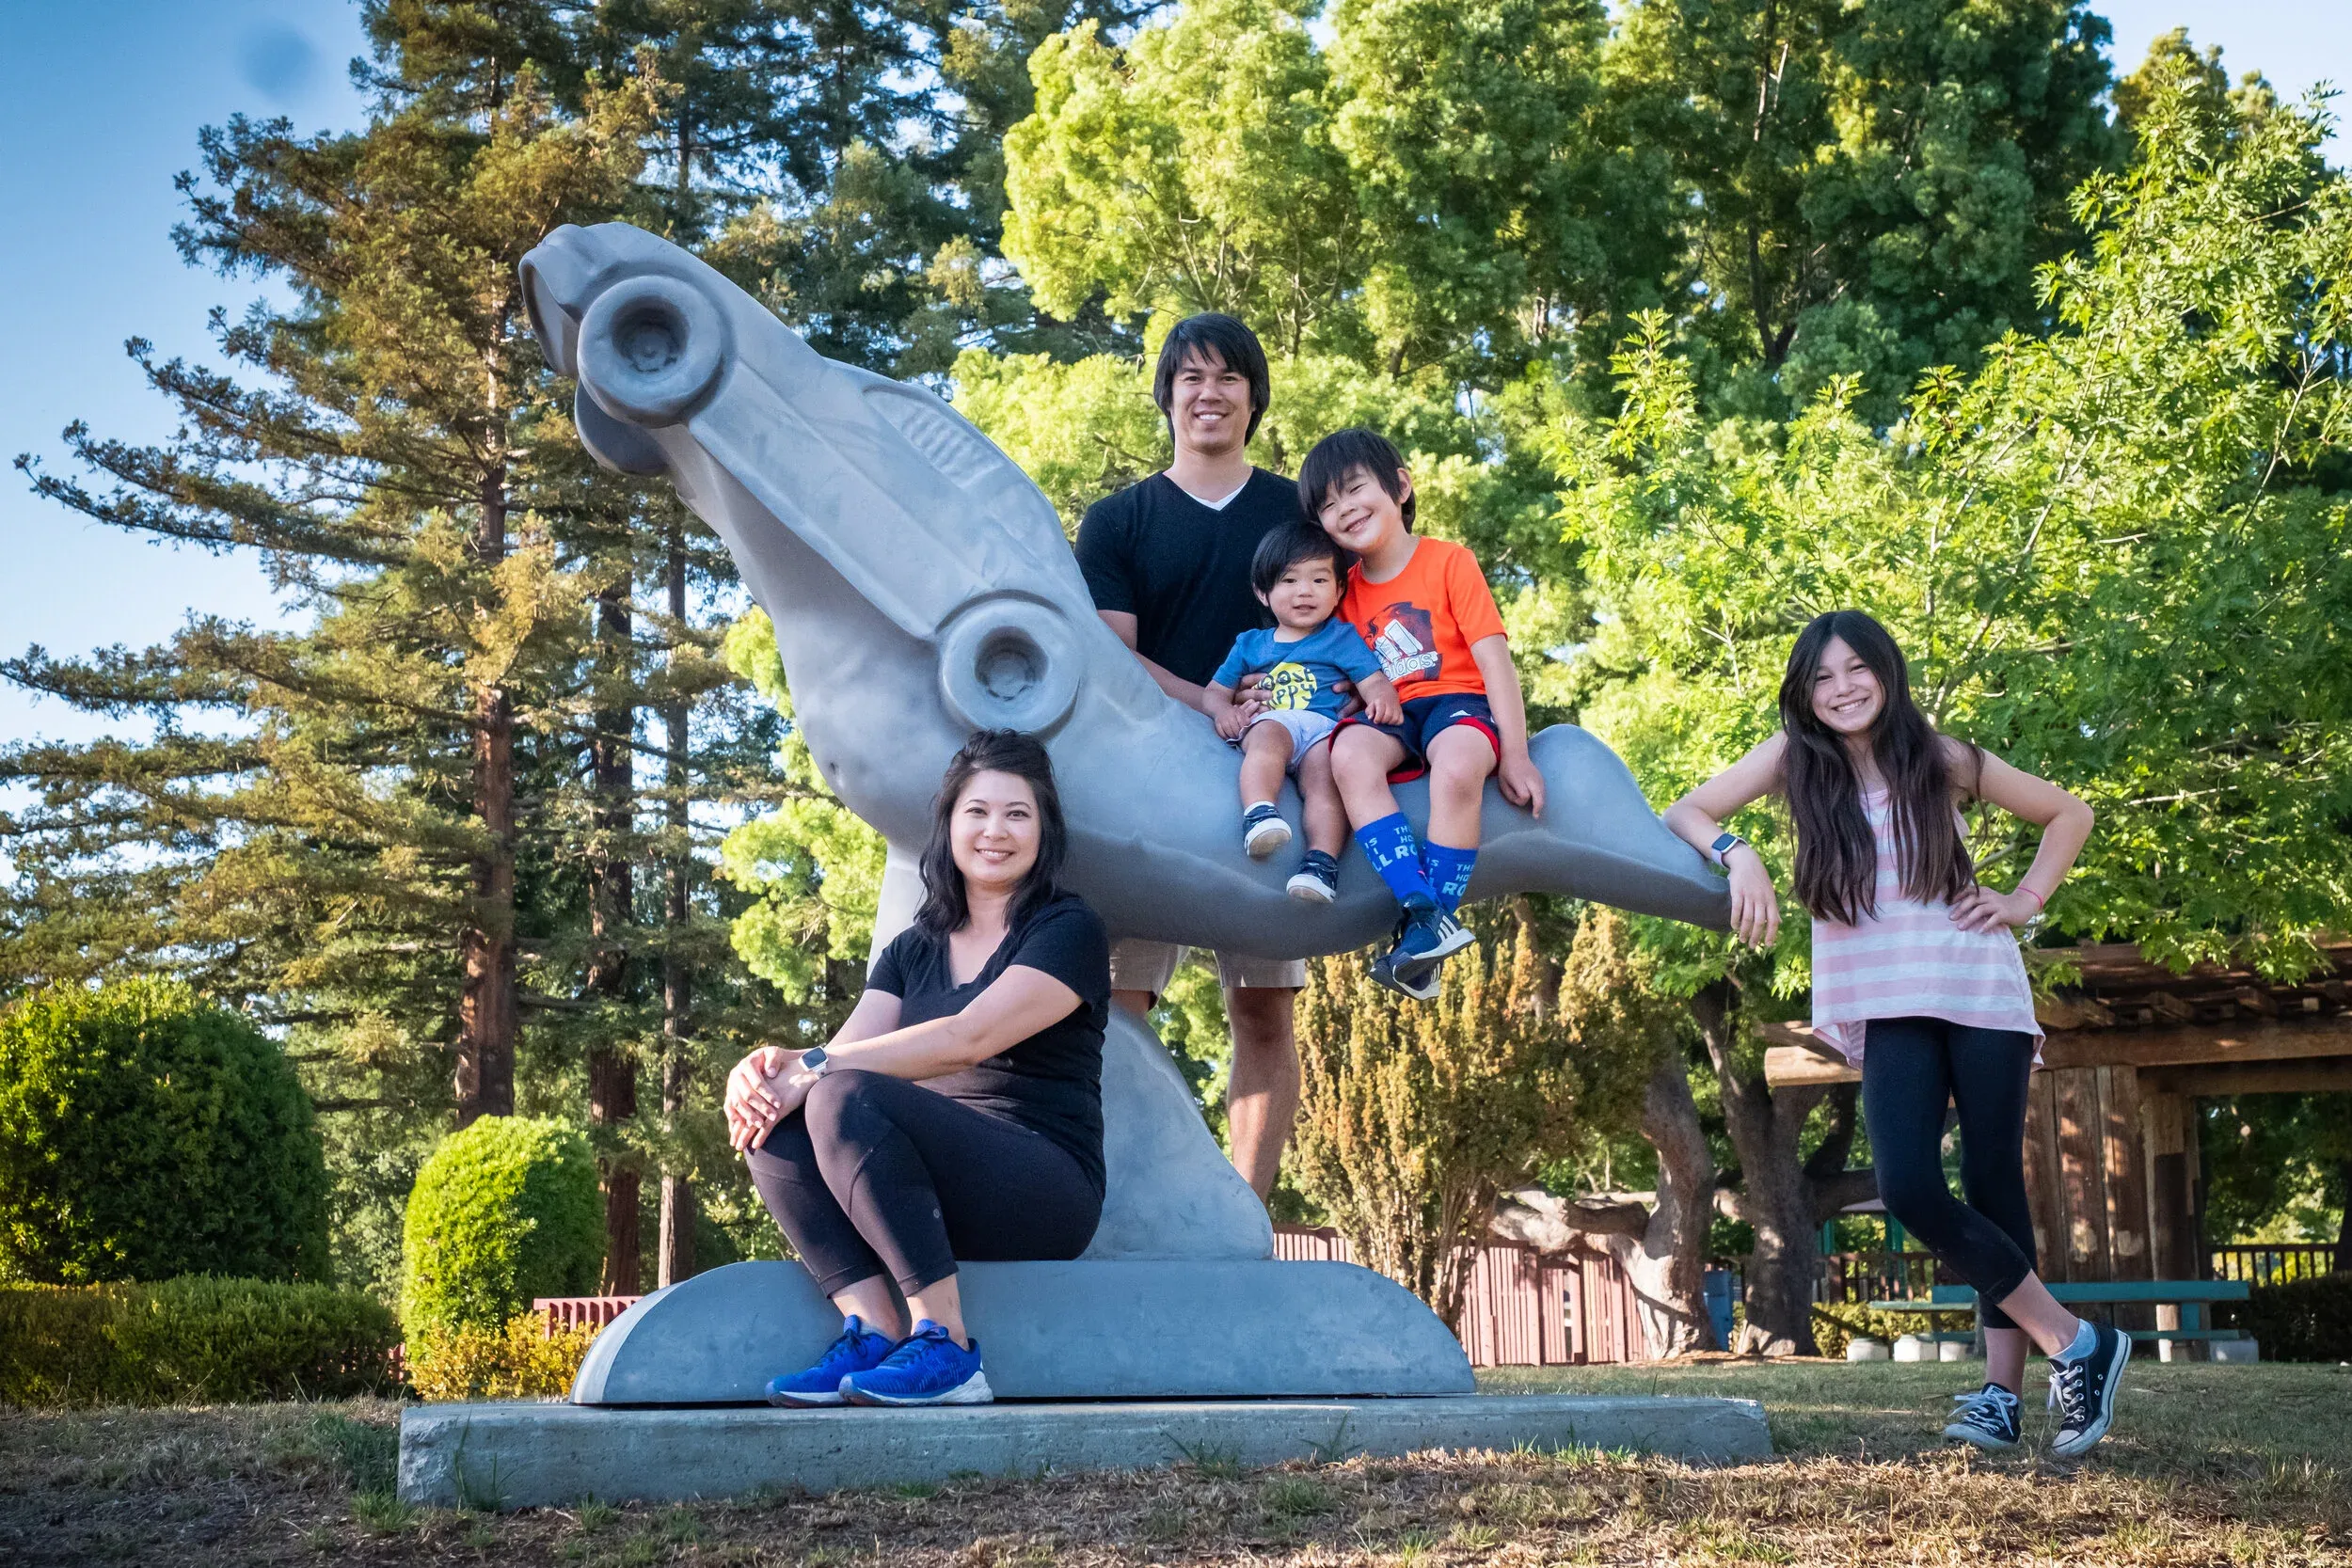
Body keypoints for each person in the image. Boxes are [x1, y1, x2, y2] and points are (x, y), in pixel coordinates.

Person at [1661, 609, 2125, 1459]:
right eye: (1822, 678)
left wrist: (2023, 902)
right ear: (1804, 692)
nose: (1841, 689)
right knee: (1910, 1185)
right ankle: (2078, 1342)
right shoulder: (1791, 759)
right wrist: (1742, 853)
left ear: (1886, 670)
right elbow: (1684, 809)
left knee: (1992, 1183)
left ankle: (2000, 1394)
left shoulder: (1938, 754)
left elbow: (2068, 814)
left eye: (1855, 670)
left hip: (1975, 983)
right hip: (1887, 1001)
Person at [723, 731, 1109, 1408]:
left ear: (1044, 830)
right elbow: (850, 1050)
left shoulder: (1068, 929)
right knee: (777, 1125)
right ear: (950, 823)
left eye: (1018, 813)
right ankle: (872, 1328)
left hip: (1042, 1185)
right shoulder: (912, 948)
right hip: (922, 1191)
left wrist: (814, 1066)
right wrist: (765, 1076)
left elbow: (968, 1037)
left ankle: (949, 1348)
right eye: (978, 812)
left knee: (837, 1093)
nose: (996, 831)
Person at [1073, 311, 1311, 1199]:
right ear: (1167, 396)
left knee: (1263, 1007)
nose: (1208, 394)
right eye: (1191, 378)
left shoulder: (1298, 511)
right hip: (1141, 788)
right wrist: (1208, 698)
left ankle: (1244, 1217)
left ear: (1253, 398)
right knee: (1117, 1012)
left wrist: (1272, 706)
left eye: (1228, 378)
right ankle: (1142, 1202)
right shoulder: (1120, 520)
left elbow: (1337, 628)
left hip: (1274, 782)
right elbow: (1109, 657)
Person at [1301, 428, 1546, 1000]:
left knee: (1458, 767)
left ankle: (1426, 931)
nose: (1345, 509)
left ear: (1401, 486)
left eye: (1355, 489)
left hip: (1459, 701)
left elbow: (1495, 660)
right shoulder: (1343, 592)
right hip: (1391, 710)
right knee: (1350, 753)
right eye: (1328, 506)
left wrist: (1516, 752)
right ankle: (1419, 906)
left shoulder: (1449, 562)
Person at [1201, 521, 1402, 902]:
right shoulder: (1250, 644)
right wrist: (1221, 712)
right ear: (1263, 592)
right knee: (1266, 738)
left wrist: (1383, 696)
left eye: (1319, 581)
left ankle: (1320, 862)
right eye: (1289, 581)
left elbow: (1371, 679)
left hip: (1324, 729)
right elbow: (1214, 692)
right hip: (1274, 720)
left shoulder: (1342, 638)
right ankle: (1259, 813)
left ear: (1339, 589)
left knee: (1325, 784)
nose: (1305, 591)